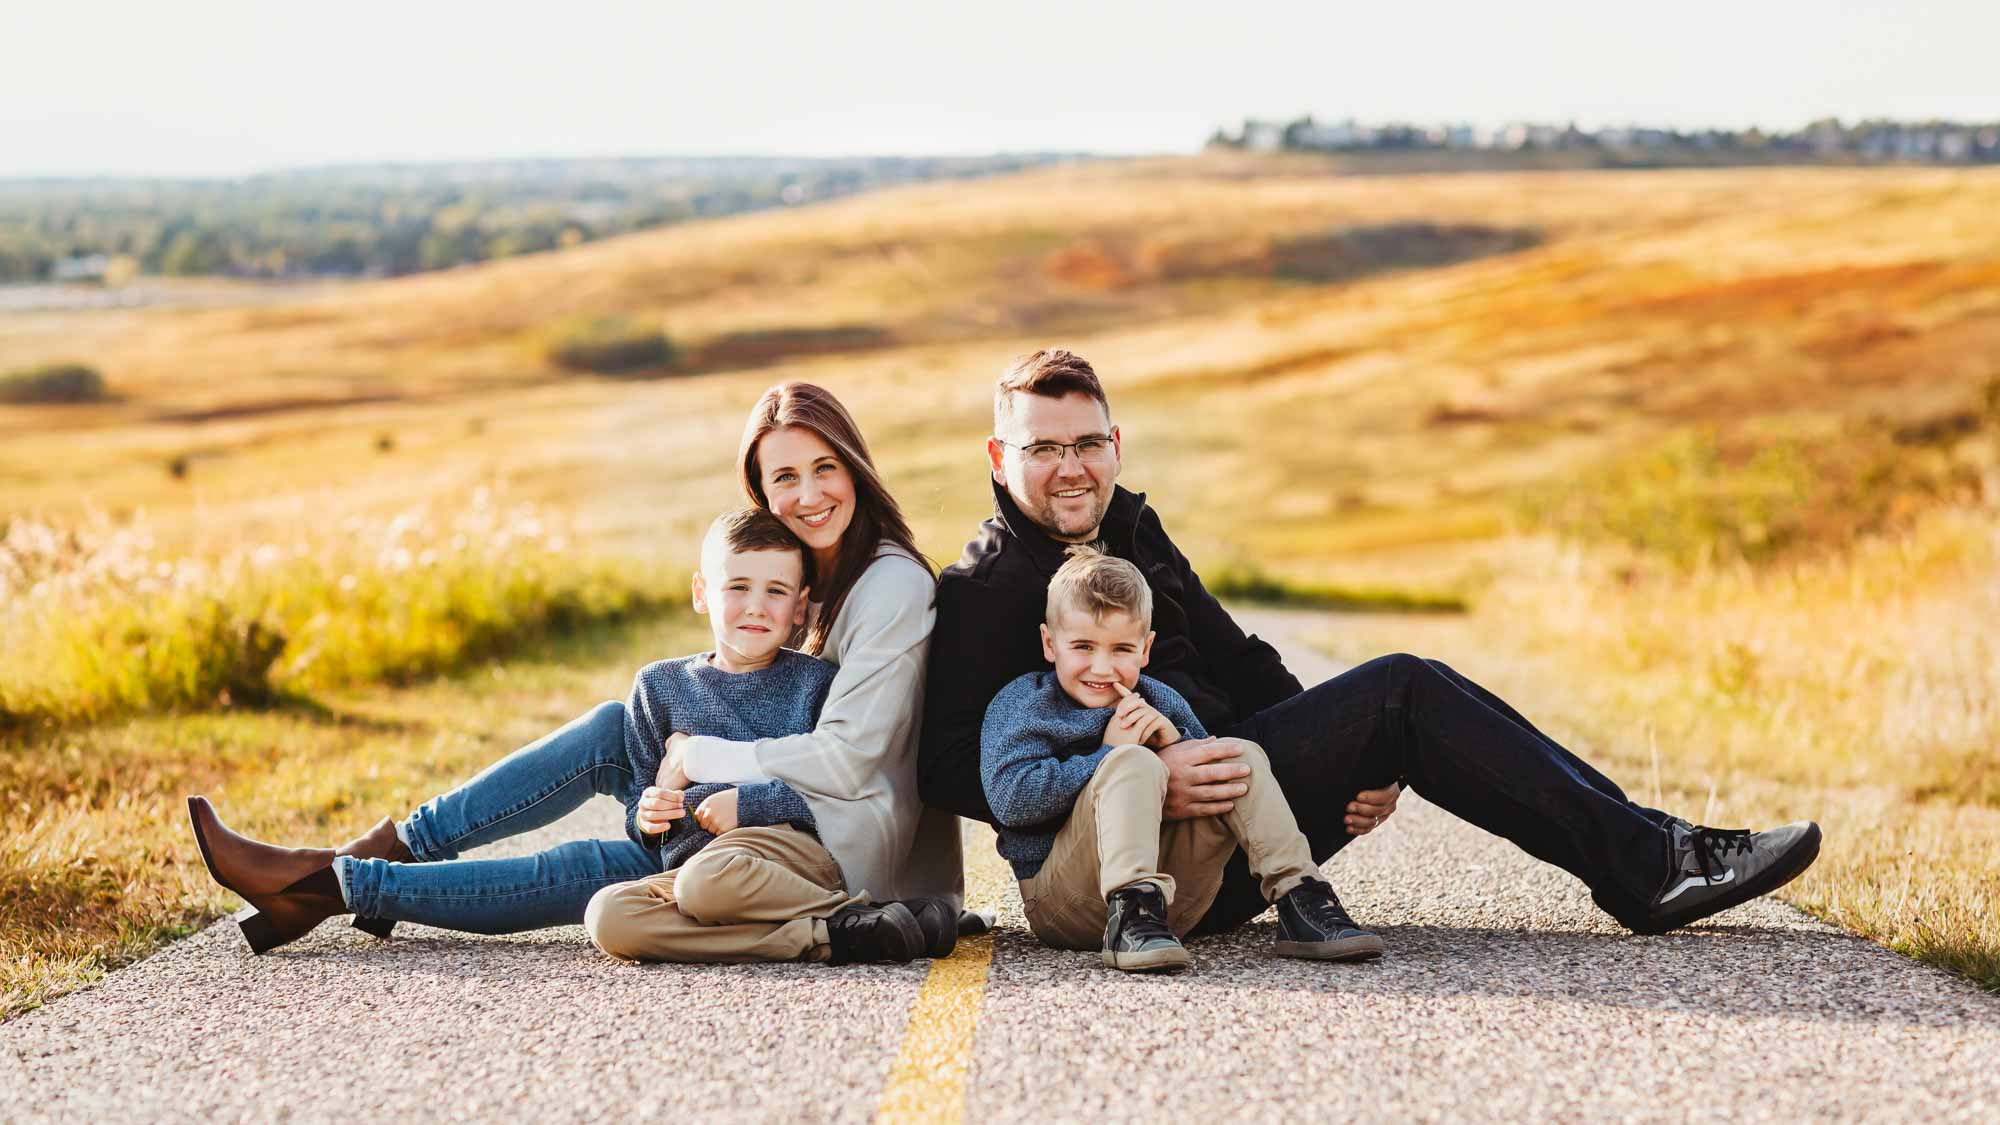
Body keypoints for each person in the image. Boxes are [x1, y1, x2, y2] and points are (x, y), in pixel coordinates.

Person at [921, 348, 1821, 940]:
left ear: (1114, 444)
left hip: (1242, 809)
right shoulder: (986, 587)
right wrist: (1142, 777)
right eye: (1044, 449)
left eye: (1087, 443)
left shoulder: (1136, 531)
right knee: (1402, 689)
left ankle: (1656, 848)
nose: (1070, 466)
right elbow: (949, 764)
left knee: (1398, 704)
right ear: (1001, 459)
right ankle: (1653, 866)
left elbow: (1242, 663)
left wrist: (1338, 757)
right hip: (1137, 865)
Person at [186, 381, 964, 954]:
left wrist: (696, 758)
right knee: (609, 743)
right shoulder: (810, 579)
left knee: (593, 869)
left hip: (837, 839)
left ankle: (329, 880)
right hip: (743, 829)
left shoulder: (888, 581)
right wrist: (655, 803)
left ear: (855, 466)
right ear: (758, 496)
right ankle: (349, 871)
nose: (807, 494)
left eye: (824, 468)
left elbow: (849, 754)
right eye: (781, 478)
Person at [982, 546, 1383, 973]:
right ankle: (1130, 910)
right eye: (1082, 646)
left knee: (1236, 754)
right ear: (1050, 643)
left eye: (1121, 649)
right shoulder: (1025, 704)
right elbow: (1010, 799)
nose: (1102, 668)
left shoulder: (1158, 700)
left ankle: (1301, 897)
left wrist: (1172, 744)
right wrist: (1109, 754)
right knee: (1131, 763)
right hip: (1065, 903)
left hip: (1176, 902)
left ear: (1146, 649)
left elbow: (1204, 773)